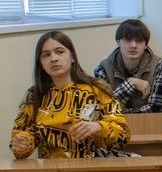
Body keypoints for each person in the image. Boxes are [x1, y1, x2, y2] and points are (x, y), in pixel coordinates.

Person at [9, 31, 130, 159]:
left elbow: (123, 136)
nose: (54, 59)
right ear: (41, 64)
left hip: (93, 165)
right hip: (51, 168)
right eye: (46, 55)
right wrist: (22, 144)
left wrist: (99, 127)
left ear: (72, 57)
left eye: (60, 52)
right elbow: (22, 141)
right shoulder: (35, 96)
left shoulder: (97, 89)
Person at [93, 19, 162, 113]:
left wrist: (121, 113)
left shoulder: (159, 65)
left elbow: (156, 108)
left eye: (139, 41)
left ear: (146, 45)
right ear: (118, 42)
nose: (133, 45)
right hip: (114, 122)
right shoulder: (103, 69)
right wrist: (131, 84)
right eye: (128, 39)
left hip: (148, 121)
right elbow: (102, 108)